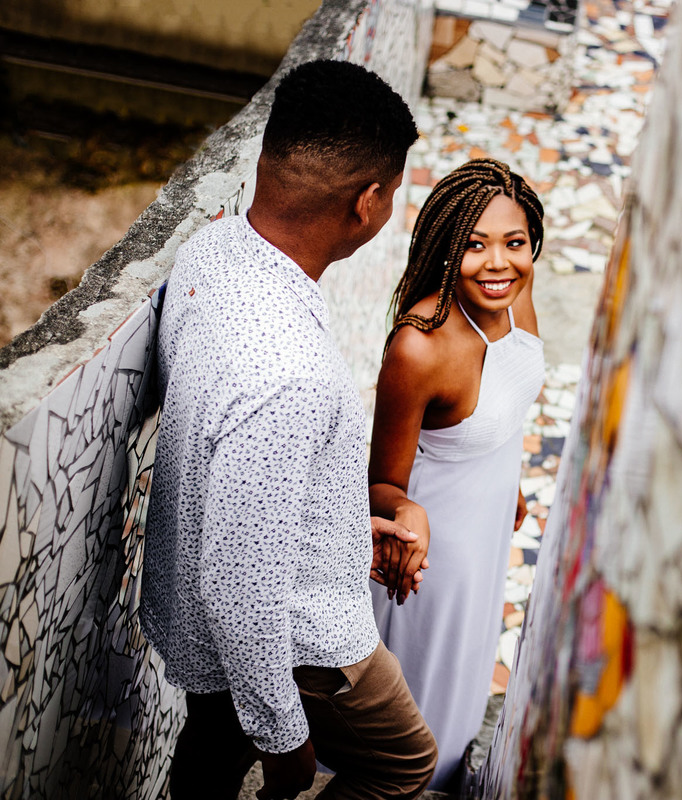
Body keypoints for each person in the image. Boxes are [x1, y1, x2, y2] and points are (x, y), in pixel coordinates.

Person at [141, 59, 437, 800]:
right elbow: (240, 585)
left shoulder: (212, 252)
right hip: (296, 639)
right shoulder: (291, 375)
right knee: (403, 763)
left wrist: (341, 525)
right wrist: (285, 741)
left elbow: (236, 462)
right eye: (394, 195)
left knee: (207, 756)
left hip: (200, 623)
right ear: (368, 202)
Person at [369, 158, 546, 790]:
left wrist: (513, 479)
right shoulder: (419, 346)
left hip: (491, 519)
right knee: (427, 683)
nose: (498, 263)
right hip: (435, 549)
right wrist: (406, 519)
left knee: (474, 659)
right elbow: (381, 483)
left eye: (514, 243)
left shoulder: (514, 291)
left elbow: (512, 391)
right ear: (447, 249)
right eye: (475, 246)